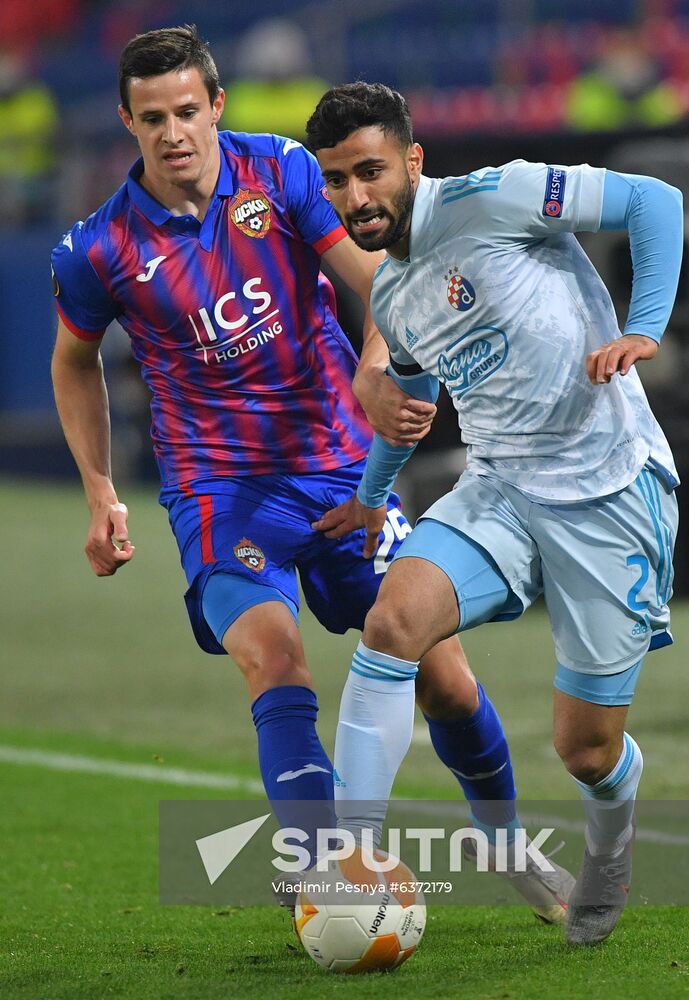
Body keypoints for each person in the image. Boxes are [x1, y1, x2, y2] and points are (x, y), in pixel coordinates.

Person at [49, 26, 573, 924]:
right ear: (128, 123)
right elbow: (72, 360)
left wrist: (377, 366)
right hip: (220, 491)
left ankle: (507, 843)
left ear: (216, 104)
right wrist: (100, 487)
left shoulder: (285, 173)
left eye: (186, 111)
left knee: (440, 674)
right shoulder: (96, 250)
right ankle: (329, 873)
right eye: (151, 119)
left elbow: (373, 280)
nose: (173, 133)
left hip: (340, 470)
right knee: (272, 656)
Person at [306, 82, 683, 946]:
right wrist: (371, 498)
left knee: (585, 751)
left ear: (411, 161)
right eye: (335, 181)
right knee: (394, 619)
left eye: (369, 172)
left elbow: (651, 200)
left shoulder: (500, 195)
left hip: (605, 492)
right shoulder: (394, 293)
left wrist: (646, 328)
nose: (355, 197)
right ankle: (350, 862)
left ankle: (609, 851)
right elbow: (410, 398)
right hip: (499, 490)